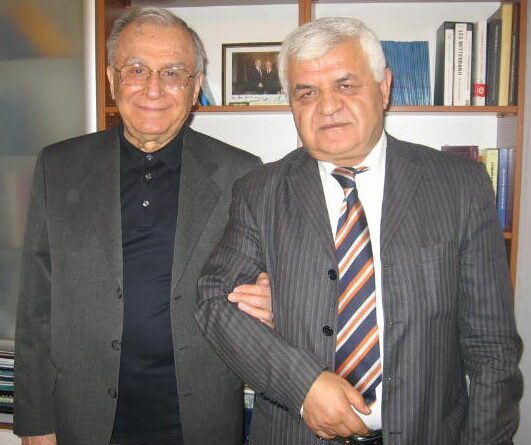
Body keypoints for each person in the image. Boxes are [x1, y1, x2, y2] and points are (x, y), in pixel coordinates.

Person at [196, 16, 523, 445]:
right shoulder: (259, 190)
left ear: (384, 88)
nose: (327, 106)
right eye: (307, 92)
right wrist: (303, 385)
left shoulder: (460, 185)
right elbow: (214, 299)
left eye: (345, 85)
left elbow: (492, 347)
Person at [14, 7, 273, 445]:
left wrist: (272, 297)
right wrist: (36, 421)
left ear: (195, 86)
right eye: (136, 70)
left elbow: (269, 281)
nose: (154, 89)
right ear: (112, 80)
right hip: (83, 417)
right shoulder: (59, 166)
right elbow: (36, 307)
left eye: (172, 73)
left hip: (199, 419)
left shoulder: (241, 173)